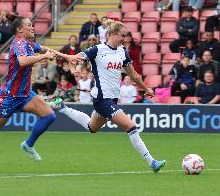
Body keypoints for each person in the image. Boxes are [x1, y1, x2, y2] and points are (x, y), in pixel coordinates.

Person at [0, 15, 83, 175]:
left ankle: (28, 145)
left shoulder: (29, 44)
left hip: (24, 94)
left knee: (49, 116)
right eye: (29, 25)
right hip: (9, 97)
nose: (32, 27)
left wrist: (67, 56)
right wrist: (43, 57)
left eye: (32, 25)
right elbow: (22, 61)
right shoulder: (19, 43)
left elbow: (46, 50)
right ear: (19, 30)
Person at [57, 19, 166, 173]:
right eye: (123, 35)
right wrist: (75, 68)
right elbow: (76, 58)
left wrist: (145, 88)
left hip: (112, 99)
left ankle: (63, 108)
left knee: (92, 127)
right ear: (113, 34)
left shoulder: (122, 51)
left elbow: (133, 74)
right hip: (102, 99)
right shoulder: (97, 50)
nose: (125, 38)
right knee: (131, 126)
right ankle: (152, 162)